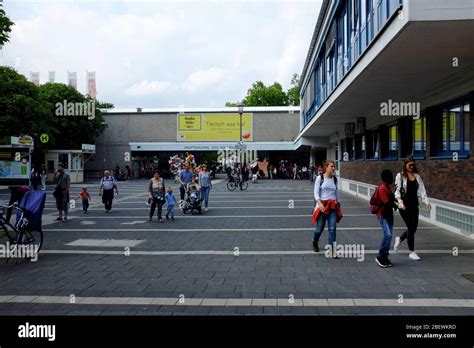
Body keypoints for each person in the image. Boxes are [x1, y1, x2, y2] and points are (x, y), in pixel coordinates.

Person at [394, 157, 431, 261]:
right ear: (405, 165)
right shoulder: (400, 176)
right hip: (403, 206)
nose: (411, 167)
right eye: (409, 165)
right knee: (410, 227)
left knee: (413, 228)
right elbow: (397, 191)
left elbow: (422, 190)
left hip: (414, 205)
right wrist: (400, 202)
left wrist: (427, 202)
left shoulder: (417, 177)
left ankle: (400, 238)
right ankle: (412, 252)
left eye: (413, 165)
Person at [311, 160, 340, 258]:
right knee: (320, 229)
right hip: (322, 206)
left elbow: (336, 193)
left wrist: (338, 204)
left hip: (332, 207)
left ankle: (331, 250)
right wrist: (319, 203)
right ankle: (315, 241)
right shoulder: (320, 178)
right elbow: (315, 192)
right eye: (331, 166)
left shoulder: (335, 179)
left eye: (334, 166)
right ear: (326, 167)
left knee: (332, 229)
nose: (333, 168)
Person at [374, 170, 398, 268]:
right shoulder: (383, 188)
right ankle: (380, 256)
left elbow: (391, 200)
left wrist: (393, 194)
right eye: (390, 176)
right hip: (383, 215)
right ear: (387, 178)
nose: (392, 178)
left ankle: (385, 256)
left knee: (389, 236)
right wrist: (397, 204)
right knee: (388, 235)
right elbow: (387, 202)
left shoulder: (387, 187)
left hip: (388, 215)